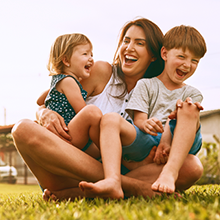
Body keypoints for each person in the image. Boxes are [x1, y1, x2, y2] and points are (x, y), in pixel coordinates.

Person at [11, 18, 204, 201]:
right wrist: (44, 113)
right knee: (22, 129)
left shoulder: (158, 91)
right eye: (126, 40)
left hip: (128, 169)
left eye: (139, 43)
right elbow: (55, 94)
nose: (129, 47)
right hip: (68, 168)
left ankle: (88, 190)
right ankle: (131, 186)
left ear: (154, 55)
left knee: (191, 166)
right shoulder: (102, 72)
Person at [78, 25, 206, 198]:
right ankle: (113, 181)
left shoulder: (192, 93)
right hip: (150, 138)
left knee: (188, 109)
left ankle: (169, 172)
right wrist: (145, 124)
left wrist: (167, 141)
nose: (187, 64)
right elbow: (139, 119)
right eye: (182, 57)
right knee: (110, 119)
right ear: (164, 54)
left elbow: (179, 122)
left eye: (194, 61)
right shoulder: (146, 84)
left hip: (179, 142)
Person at [37, 33, 101, 159]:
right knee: (91, 112)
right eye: (85, 54)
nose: (91, 59)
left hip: (63, 134)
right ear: (66, 60)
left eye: (91, 54)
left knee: (99, 154)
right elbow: (82, 110)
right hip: (66, 133)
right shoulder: (69, 82)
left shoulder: (58, 81)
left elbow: (39, 100)